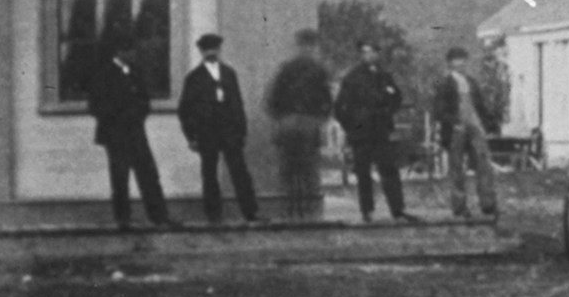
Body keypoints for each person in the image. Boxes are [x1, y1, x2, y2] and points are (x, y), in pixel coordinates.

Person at [88, 33, 172, 231]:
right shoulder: (104, 74)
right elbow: (95, 106)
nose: (134, 54)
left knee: (149, 175)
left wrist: (137, 115)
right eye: (130, 50)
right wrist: (119, 116)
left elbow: (145, 102)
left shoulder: (135, 72)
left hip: (136, 133)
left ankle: (159, 216)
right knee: (120, 178)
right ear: (120, 52)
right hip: (115, 136)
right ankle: (123, 219)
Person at [177, 32, 259, 226]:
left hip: (230, 131)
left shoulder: (229, 73)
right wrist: (191, 136)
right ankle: (214, 215)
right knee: (209, 173)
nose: (211, 52)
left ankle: (250, 212)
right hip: (207, 132)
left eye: (214, 48)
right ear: (201, 52)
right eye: (207, 49)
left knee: (239, 171)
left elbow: (238, 104)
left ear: (220, 50)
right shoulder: (194, 78)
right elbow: (184, 109)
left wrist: (242, 130)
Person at [335, 40, 414, 224]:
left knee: (389, 169)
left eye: (371, 52)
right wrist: (352, 126)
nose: (368, 56)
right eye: (364, 52)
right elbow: (340, 107)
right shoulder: (352, 77)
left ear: (377, 54)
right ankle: (367, 211)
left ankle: (398, 209)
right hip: (361, 132)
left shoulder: (384, 76)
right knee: (363, 173)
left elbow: (396, 97)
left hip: (381, 130)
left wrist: (388, 113)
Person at [266, 28, 333, 216]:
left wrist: (281, 119)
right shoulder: (318, 71)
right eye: (307, 46)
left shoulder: (286, 70)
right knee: (308, 170)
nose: (307, 50)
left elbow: (272, 101)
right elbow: (326, 102)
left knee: (291, 170)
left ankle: (292, 211)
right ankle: (309, 212)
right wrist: (320, 120)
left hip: (290, 124)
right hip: (306, 125)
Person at [434, 46, 500, 220]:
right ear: (450, 63)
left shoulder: (471, 82)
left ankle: (487, 203)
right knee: (456, 168)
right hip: (456, 130)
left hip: (474, 127)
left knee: (483, 163)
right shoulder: (445, 83)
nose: (460, 63)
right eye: (456, 60)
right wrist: (454, 122)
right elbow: (439, 111)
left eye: (463, 59)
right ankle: (459, 206)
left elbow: (480, 107)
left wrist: (488, 122)